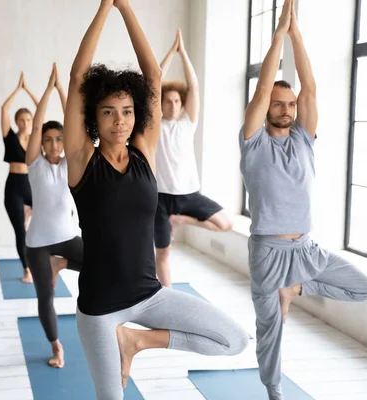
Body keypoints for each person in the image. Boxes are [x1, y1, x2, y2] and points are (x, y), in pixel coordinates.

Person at [64, 1, 249, 398]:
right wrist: (104, 8)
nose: (120, 121)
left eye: (127, 111)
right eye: (109, 112)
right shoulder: (81, 161)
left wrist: (126, 8)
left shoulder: (145, 153)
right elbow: (79, 75)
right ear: (93, 119)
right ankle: (126, 340)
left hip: (149, 296)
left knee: (234, 340)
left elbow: (153, 76)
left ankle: (137, 342)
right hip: (100, 308)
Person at [239, 1, 367, 398]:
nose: (284, 108)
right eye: (277, 103)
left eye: (290, 104)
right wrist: (279, 34)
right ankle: (274, 392)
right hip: (268, 252)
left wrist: (297, 35)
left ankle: (294, 290)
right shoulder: (253, 143)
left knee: (363, 287)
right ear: (266, 109)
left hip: (306, 248)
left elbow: (311, 88)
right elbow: (263, 87)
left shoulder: (304, 139)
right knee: (271, 332)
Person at [155, 28, 232, 287]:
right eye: (168, 101)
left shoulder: (188, 123)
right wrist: (170, 53)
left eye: (177, 101)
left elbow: (195, 86)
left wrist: (183, 53)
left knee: (225, 224)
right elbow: (152, 83)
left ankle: (180, 221)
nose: (173, 105)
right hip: (161, 198)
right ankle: (168, 299)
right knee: (163, 254)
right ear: (161, 104)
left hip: (189, 194)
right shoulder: (154, 126)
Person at [24, 63, 83, 369]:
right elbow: (35, 127)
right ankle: (56, 346)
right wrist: (47, 90)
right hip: (37, 243)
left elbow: (76, 125)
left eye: (58, 139)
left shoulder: (69, 164)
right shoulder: (34, 164)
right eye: (48, 140)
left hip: (68, 237)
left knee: (100, 263)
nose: (54, 144)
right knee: (45, 298)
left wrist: (63, 90)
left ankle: (61, 263)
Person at [1, 71, 39, 283]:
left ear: (32, 120)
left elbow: (40, 107)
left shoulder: (36, 137)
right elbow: (3, 109)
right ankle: (27, 270)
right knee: (20, 232)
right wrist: (18, 89)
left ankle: (29, 211)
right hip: (14, 186)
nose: (24, 122)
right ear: (16, 122)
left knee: (52, 212)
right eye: (21, 120)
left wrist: (29, 91)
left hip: (31, 185)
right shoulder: (9, 137)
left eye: (28, 119)